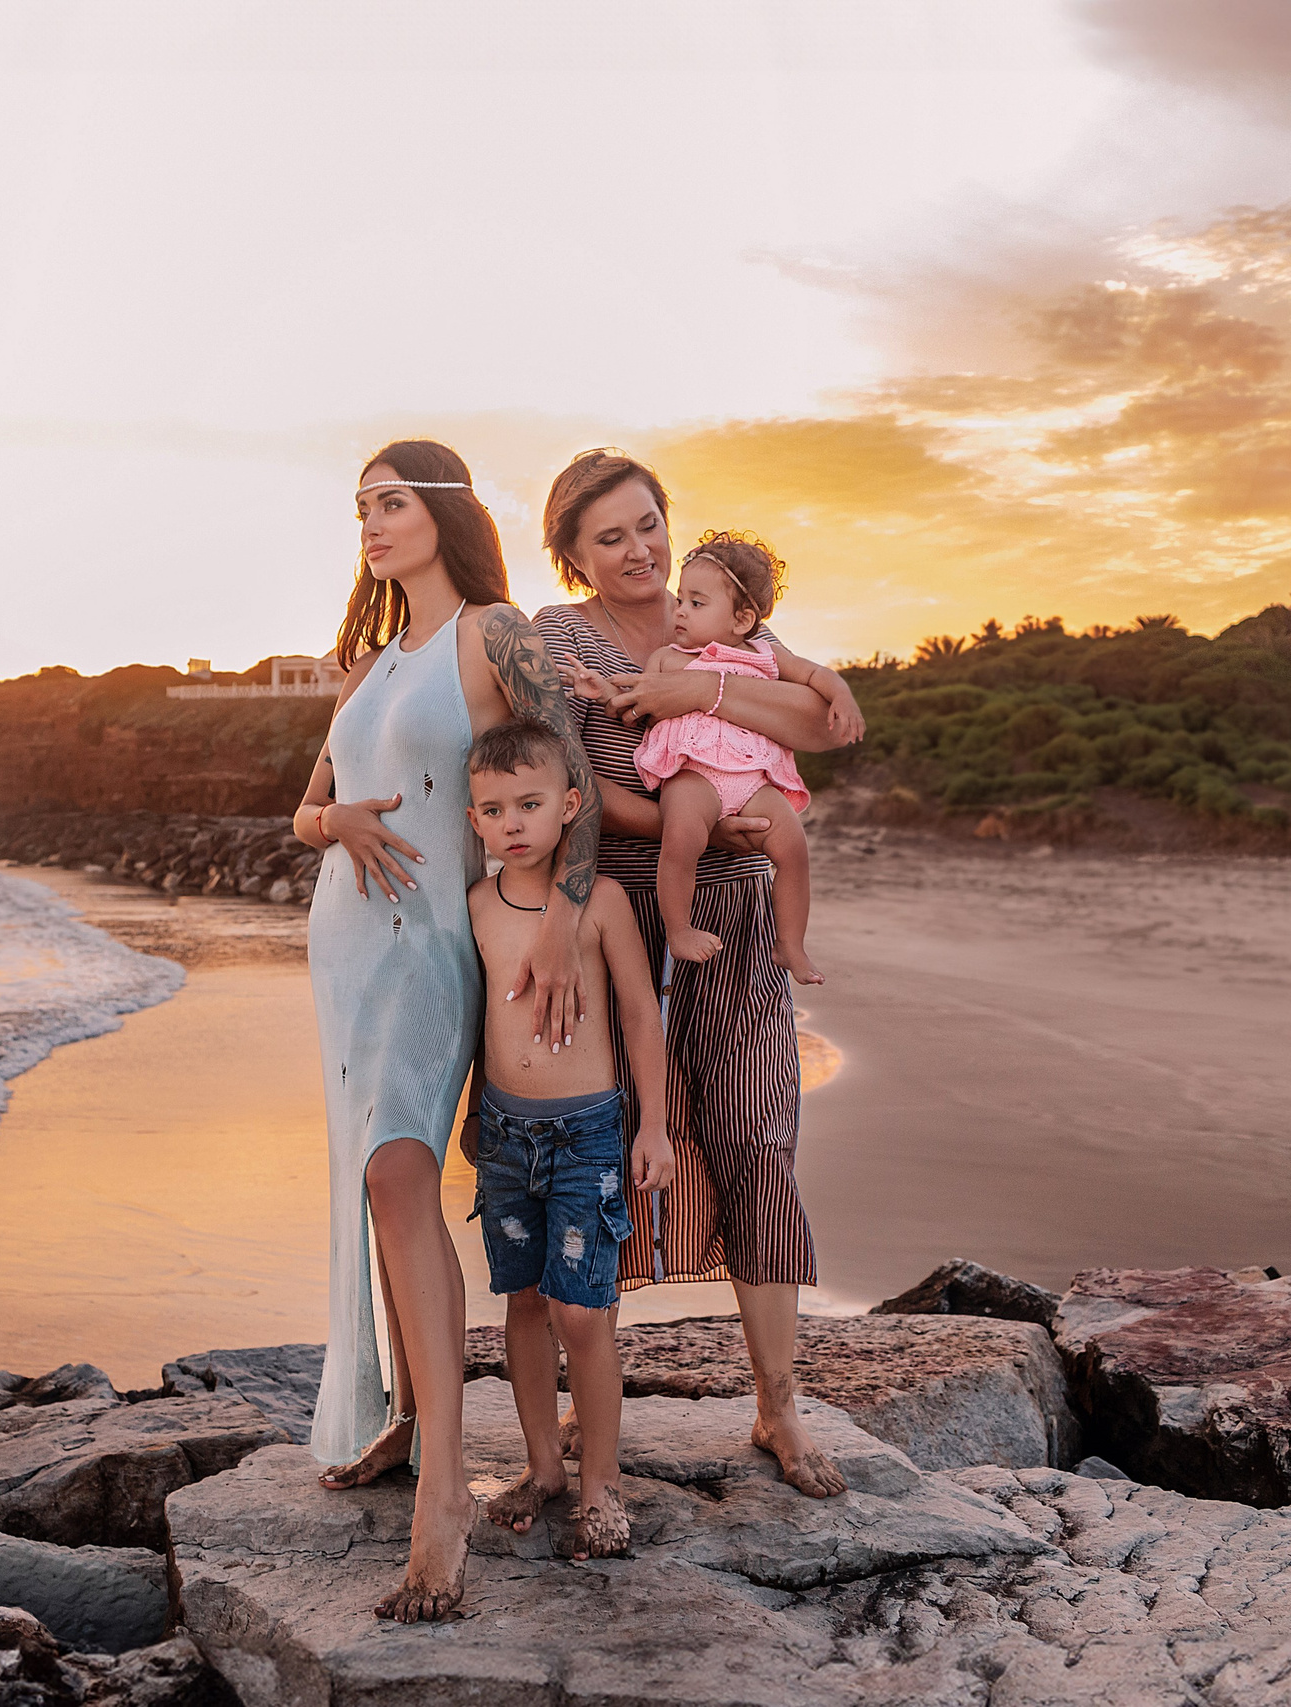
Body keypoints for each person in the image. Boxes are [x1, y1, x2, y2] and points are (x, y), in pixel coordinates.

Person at [291, 438, 602, 1621]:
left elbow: (562, 771)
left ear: (444, 513)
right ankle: (409, 1422)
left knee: (399, 1170)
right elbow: (304, 806)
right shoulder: (365, 663)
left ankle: (440, 1499)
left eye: (390, 504)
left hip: (428, 943)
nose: (370, 524)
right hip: (343, 942)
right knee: (376, 1180)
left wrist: (565, 924)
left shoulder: (494, 631)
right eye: (360, 507)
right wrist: (340, 829)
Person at [530, 448, 864, 1499]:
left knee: (759, 1136)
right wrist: (715, 828)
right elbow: (577, 783)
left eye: (647, 525)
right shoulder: (562, 635)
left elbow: (821, 723)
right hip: (624, 916)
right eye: (609, 537)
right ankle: (594, 1409)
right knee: (614, 1153)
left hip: (743, 921)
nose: (639, 551)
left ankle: (778, 1409)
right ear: (573, 555)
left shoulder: (728, 621)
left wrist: (710, 684)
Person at [462, 718, 671, 1560]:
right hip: (507, 1136)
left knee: (581, 1312)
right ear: (475, 821)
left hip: (588, 1132)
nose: (512, 821)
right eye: (494, 808)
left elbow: (639, 1014)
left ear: (569, 806)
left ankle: (600, 1485)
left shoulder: (600, 903)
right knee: (521, 1300)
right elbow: (476, 1024)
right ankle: (545, 1466)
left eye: (530, 803)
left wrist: (652, 1124)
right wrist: (473, 1113)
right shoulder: (475, 908)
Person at [575, 530, 832, 985]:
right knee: (683, 838)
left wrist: (842, 696)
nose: (681, 611)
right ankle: (678, 927)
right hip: (693, 775)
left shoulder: (760, 653)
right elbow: (633, 697)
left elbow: (813, 693)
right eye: (682, 602)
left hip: (750, 778)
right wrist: (602, 687)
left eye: (696, 604)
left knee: (793, 847)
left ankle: (790, 942)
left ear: (742, 619)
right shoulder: (667, 659)